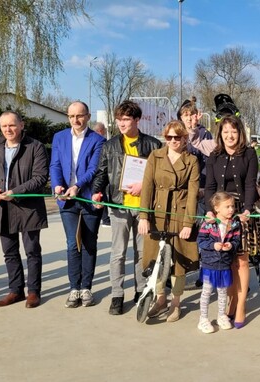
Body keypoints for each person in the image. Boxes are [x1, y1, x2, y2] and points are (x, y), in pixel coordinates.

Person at [91, 100, 162, 315]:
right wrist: (96, 191)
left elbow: (158, 175)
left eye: (126, 119)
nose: (122, 123)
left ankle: (140, 291)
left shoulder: (153, 145)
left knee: (142, 253)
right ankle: (117, 294)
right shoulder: (109, 145)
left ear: (136, 120)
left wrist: (145, 187)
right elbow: (102, 172)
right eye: (119, 119)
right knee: (118, 253)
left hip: (143, 209)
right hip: (118, 206)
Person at [0, 111, 48, 308]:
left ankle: (34, 291)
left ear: (21, 125)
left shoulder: (35, 147)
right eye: (4, 126)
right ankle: (15, 290)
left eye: (12, 125)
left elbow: (39, 178)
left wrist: (15, 192)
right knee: (9, 252)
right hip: (1, 208)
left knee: (32, 251)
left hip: (28, 208)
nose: (8, 130)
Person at [138, 120, 200, 322]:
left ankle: (176, 303)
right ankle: (160, 298)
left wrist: (188, 224)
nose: (173, 141)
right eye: (169, 137)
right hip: (157, 213)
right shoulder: (155, 157)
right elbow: (147, 186)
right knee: (155, 259)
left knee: (179, 262)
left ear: (185, 139)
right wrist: (144, 216)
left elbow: (192, 194)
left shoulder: (191, 161)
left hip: (180, 213)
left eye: (177, 137)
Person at [50, 101, 106, 308]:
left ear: (88, 116)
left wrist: (77, 186)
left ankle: (86, 288)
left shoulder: (98, 140)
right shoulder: (59, 138)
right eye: (72, 116)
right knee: (73, 244)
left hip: (88, 198)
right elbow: (55, 164)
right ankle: (74, 288)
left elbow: (94, 168)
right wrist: (57, 186)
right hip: (66, 200)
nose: (76, 120)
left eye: (80, 115)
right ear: (68, 117)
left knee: (89, 244)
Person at [205, 114, 258, 329]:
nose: (230, 136)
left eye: (234, 132)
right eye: (225, 131)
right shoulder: (214, 156)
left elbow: (250, 184)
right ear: (220, 133)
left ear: (240, 133)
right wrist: (211, 211)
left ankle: (241, 304)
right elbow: (209, 186)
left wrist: (245, 210)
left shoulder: (249, 154)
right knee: (226, 261)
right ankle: (232, 299)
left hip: (241, 212)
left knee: (241, 261)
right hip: (220, 213)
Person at [196, 191, 242, 333]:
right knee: (207, 292)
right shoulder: (208, 224)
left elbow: (236, 240)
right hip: (210, 264)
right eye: (227, 207)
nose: (231, 209)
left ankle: (221, 315)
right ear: (217, 208)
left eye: (233, 206)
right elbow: (201, 241)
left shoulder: (234, 223)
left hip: (224, 264)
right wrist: (212, 246)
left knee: (223, 292)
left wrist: (231, 246)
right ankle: (203, 319)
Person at [92, 122, 111, 227]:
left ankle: (104, 218)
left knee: (100, 194)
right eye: (104, 130)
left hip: (97, 173)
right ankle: (105, 219)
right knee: (101, 194)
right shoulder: (102, 142)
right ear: (101, 131)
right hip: (99, 173)